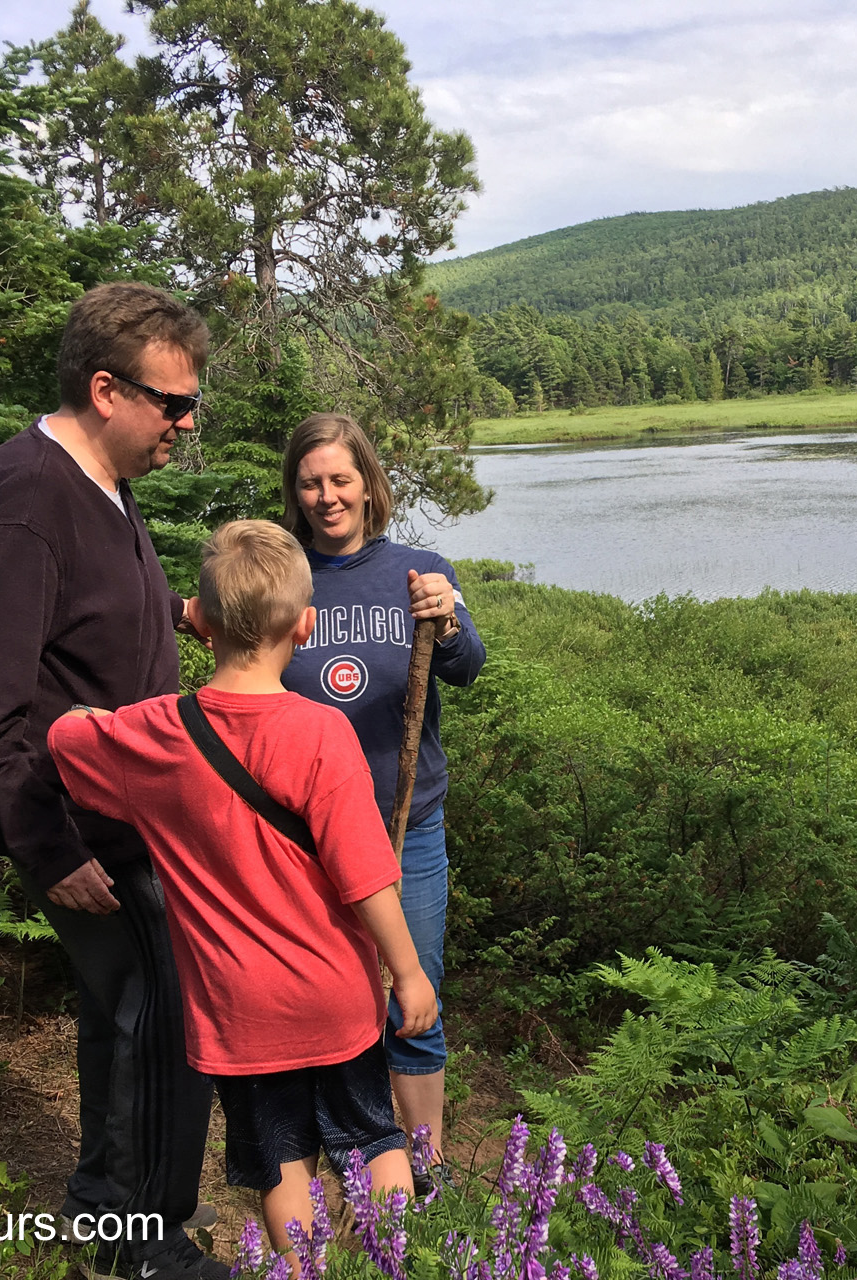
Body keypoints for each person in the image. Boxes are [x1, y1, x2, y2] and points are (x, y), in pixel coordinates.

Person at [0, 282, 225, 1280]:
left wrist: (190, 614)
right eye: (172, 405)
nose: (185, 426)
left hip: (130, 816)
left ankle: (107, 1211)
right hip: (90, 828)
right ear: (106, 388)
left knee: (119, 1018)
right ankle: (149, 1246)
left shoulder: (97, 485)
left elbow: (93, 619)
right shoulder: (24, 497)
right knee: (166, 1016)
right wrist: (48, 844)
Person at [47, 520, 437, 1251]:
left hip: (240, 1010)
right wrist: (410, 974)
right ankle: (386, 1263)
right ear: (306, 626)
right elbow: (366, 876)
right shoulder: (322, 734)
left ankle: (301, 1269)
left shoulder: (155, 734)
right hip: (333, 993)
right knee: (373, 1138)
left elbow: (65, 739)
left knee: (280, 1158)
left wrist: (86, 716)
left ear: (198, 621)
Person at [279, 413, 485, 1189]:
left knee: (412, 999)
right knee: (321, 1000)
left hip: (406, 830)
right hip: (301, 835)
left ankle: (423, 1170)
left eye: (340, 479)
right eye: (310, 482)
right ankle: (344, 1155)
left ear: (368, 484)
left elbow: (466, 668)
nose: (326, 496)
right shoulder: (282, 572)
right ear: (294, 492)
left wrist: (450, 620)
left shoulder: (417, 571)